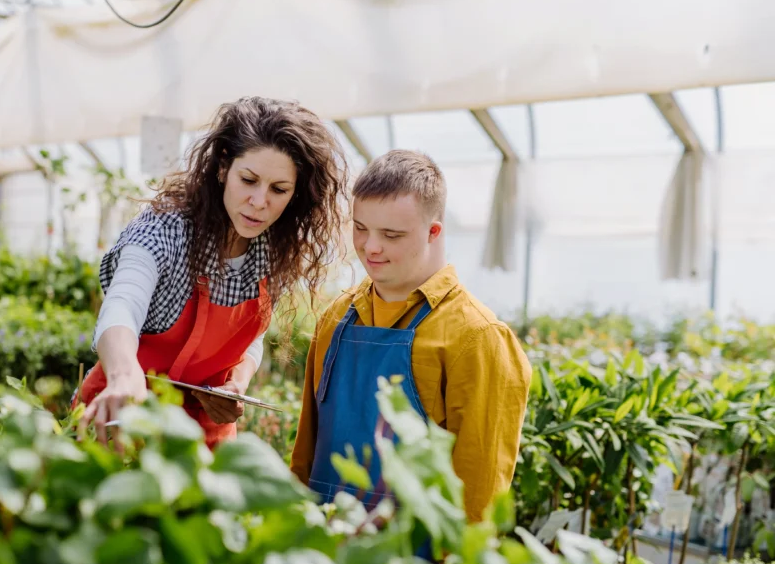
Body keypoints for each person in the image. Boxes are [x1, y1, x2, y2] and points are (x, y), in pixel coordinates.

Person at [74, 96, 348, 449]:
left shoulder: (271, 251)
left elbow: (253, 339)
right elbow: (122, 303)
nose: (260, 201)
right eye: (248, 180)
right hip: (122, 420)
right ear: (222, 167)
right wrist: (124, 374)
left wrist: (237, 382)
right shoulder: (165, 230)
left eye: (279, 189)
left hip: (200, 445)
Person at [289, 149, 531, 524]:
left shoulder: (477, 338)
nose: (370, 247)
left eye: (391, 234)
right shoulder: (335, 318)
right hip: (323, 548)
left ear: (434, 232)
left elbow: (481, 492)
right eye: (361, 228)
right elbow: (306, 454)